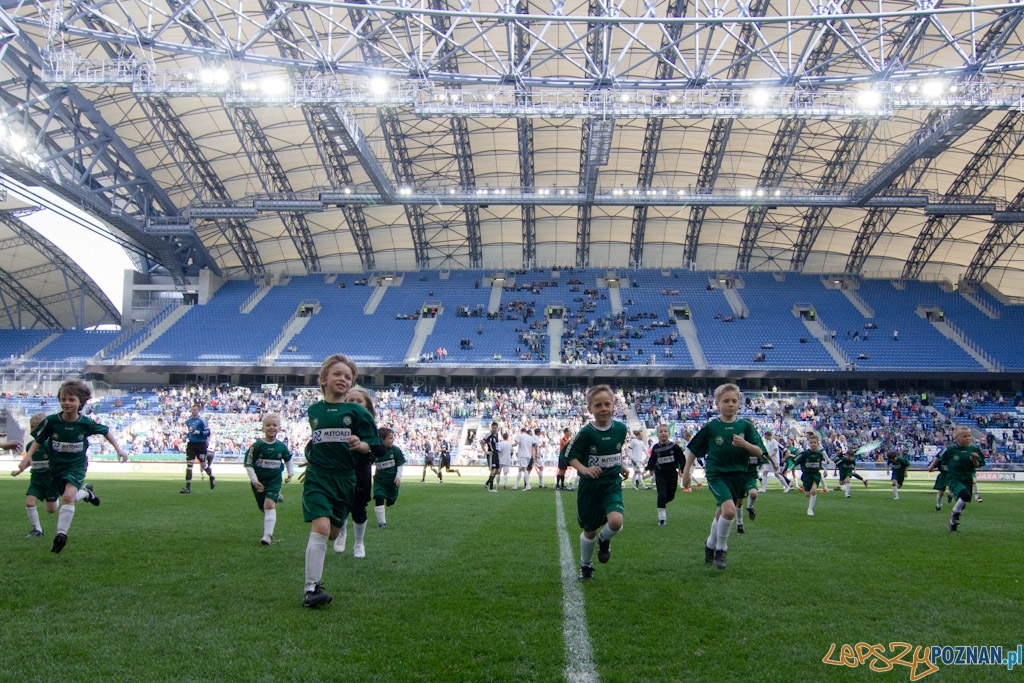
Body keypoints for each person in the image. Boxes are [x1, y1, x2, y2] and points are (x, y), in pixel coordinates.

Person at [301, 354, 380, 608]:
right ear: (323, 379)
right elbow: (316, 442)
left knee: (333, 533)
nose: (343, 379)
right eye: (337, 374)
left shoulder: (357, 412)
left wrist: (360, 444)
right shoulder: (314, 411)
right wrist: (310, 458)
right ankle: (311, 589)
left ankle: (341, 532)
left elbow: (371, 443)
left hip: (345, 481)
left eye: (348, 376)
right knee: (321, 528)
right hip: (318, 478)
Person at [25, 380, 127, 553]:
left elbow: (106, 431)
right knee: (66, 497)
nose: (67, 403)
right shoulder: (52, 421)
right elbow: (39, 439)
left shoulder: (85, 423)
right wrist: (27, 457)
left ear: (81, 402)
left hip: (76, 466)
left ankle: (61, 534)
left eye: (71, 399)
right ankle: (86, 493)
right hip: (56, 467)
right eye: (63, 399)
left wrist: (119, 450)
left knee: (68, 496)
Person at [683, 383, 767, 570]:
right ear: (717, 403)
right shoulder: (712, 427)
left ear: (738, 403)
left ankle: (709, 544)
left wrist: (745, 445)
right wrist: (687, 472)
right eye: (726, 401)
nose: (730, 404)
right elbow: (693, 449)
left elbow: (760, 451)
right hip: (717, 475)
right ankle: (721, 549)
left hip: (738, 475)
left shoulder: (745, 426)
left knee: (721, 513)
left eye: (734, 401)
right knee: (729, 511)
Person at [565, 385, 627, 581]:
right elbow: (568, 455)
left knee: (616, 522)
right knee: (589, 530)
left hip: (611, 484)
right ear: (590, 408)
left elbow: (614, 451)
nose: (603, 408)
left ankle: (604, 538)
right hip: (590, 488)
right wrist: (583, 469)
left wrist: (622, 465)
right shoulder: (585, 433)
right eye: (598, 405)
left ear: (613, 405)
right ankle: (586, 565)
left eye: (607, 404)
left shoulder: (621, 429)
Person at [336, 387, 378, 558]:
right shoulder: (336, 421)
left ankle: (359, 544)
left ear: (367, 406)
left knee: (359, 507)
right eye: (350, 401)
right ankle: (341, 533)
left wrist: (361, 446)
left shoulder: (369, 425)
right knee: (339, 503)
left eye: (358, 401)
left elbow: (375, 447)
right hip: (340, 467)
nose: (354, 404)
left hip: (361, 467)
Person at [243, 413, 294, 545]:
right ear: (263, 428)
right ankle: (277, 495)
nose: (271, 427)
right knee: (263, 509)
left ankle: (267, 535)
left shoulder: (281, 446)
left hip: (274, 481)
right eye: (268, 425)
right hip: (259, 482)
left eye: (274, 425)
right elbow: (248, 464)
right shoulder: (256, 446)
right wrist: (255, 481)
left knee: (269, 505)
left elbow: (288, 459)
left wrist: (290, 473)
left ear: (279, 428)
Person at [11, 412, 63, 537]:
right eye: (31, 426)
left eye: (36, 426)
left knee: (51, 509)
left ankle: (82, 492)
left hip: (50, 479)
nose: (33, 429)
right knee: (29, 502)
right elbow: (31, 461)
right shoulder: (31, 445)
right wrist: (19, 470)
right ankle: (37, 529)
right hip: (36, 478)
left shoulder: (51, 444)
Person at [927, 426, 985, 532]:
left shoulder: (974, 449)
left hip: (967, 477)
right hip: (954, 477)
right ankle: (955, 513)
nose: (968, 438)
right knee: (965, 495)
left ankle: (953, 522)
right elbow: (939, 457)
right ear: (956, 438)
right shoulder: (950, 449)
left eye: (969, 436)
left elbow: (977, 465)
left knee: (965, 500)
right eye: (965, 436)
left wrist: (974, 459)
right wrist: (931, 466)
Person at [645, 423, 685, 526]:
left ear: (669, 433)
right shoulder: (656, 448)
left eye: (665, 431)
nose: (663, 433)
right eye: (661, 431)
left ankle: (662, 502)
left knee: (670, 496)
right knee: (661, 494)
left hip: (672, 474)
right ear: (657, 434)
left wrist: (682, 469)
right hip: (660, 474)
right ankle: (662, 518)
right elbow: (652, 459)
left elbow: (681, 458)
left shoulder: (674, 447)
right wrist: (650, 468)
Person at [372, 427, 406, 528]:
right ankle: (382, 523)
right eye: (390, 438)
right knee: (379, 497)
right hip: (379, 480)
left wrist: (398, 477)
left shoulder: (395, 450)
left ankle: (391, 500)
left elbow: (400, 464)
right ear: (382, 440)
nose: (392, 440)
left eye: (392, 438)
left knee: (390, 501)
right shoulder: (376, 451)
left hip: (392, 481)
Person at [793, 432, 831, 517]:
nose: (813, 444)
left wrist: (825, 470)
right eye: (811, 442)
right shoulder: (805, 453)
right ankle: (806, 490)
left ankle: (810, 510)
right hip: (806, 475)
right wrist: (790, 468)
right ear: (809, 444)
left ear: (818, 444)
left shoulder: (819, 454)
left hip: (816, 474)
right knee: (807, 494)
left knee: (813, 491)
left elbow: (819, 464)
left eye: (815, 442)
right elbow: (796, 461)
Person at [181, 403, 214, 493]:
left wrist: (198, 432)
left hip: (201, 444)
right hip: (191, 444)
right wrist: (187, 436)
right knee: (189, 465)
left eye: (195, 410)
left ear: (198, 411)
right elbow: (190, 433)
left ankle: (211, 476)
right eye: (192, 409)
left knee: (203, 465)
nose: (193, 411)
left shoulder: (202, 421)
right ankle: (187, 487)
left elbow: (208, 432)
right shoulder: (188, 421)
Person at [760, 429, 792, 493]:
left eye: (765, 436)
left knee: (777, 474)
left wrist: (769, 457)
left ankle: (787, 487)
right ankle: (763, 488)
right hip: (770, 461)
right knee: (765, 472)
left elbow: (775, 451)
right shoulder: (769, 442)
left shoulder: (774, 442)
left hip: (774, 461)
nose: (765, 437)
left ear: (768, 435)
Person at [513, 426, 537, 491]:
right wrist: (536, 453)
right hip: (528, 455)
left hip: (522, 455)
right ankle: (516, 485)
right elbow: (535, 444)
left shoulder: (520, 436)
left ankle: (528, 485)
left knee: (524, 469)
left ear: (521, 431)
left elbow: (516, 443)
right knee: (520, 469)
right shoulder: (530, 437)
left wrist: (510, 445)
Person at [481, 422, 501, 492]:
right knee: (493, 470)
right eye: (493, 428)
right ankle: (491, 488)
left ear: (497, 428)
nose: (494, 429)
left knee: (498, 471)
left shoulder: (498, 435)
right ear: (491, 428)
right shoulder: (489, 435)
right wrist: (486, 451)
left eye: (495, 428)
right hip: (491, 454)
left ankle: (487, 484)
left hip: (496, 454)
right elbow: (482, 443)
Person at [555, 427, 573, 491]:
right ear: (566, 432)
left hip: (565, 457)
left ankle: (562, 484)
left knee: (563, 471)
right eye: (569, 431)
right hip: (562, 457)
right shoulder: (563, 440)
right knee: (561, 471)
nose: (570, 433)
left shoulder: (567, 440)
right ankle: (557, 484)